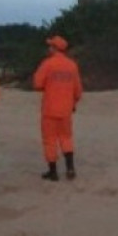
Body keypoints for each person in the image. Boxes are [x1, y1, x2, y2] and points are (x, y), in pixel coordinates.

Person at [33, 35, 83, 181]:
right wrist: (73, 103)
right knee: (66, 138)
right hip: (66, 110)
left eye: (50, 46)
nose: (48, 48)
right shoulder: (72, 65)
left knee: (49, 140)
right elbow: (78, 90)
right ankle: (70, 168)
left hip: (49, 109)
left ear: (54, 48)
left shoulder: (47, 64)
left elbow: (37, 84)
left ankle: (53, 172)